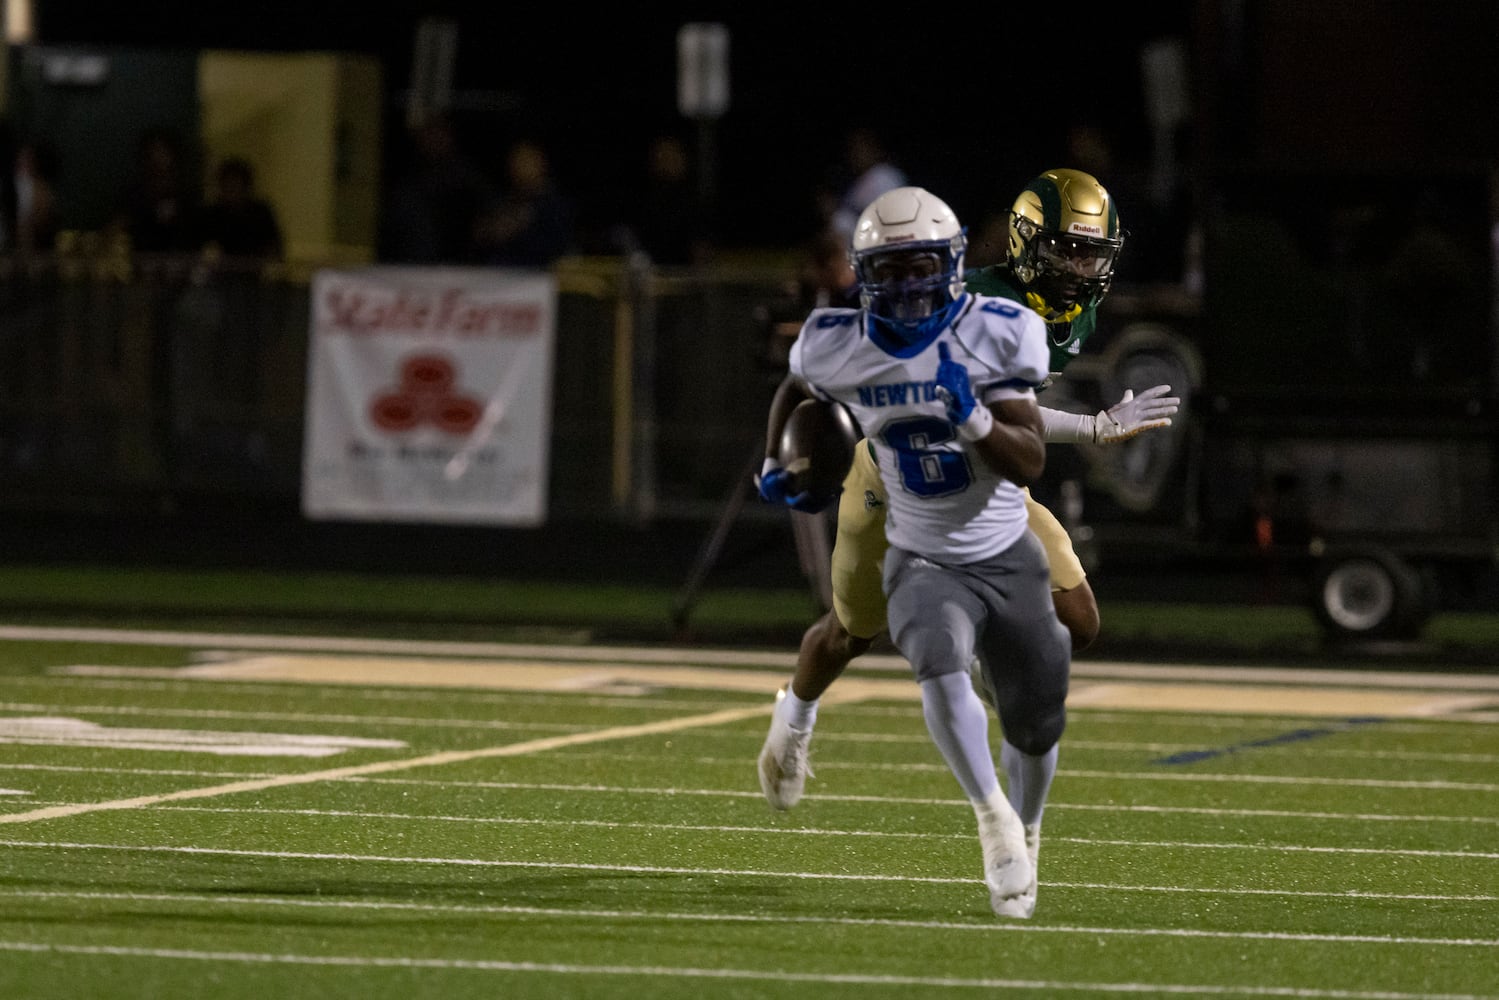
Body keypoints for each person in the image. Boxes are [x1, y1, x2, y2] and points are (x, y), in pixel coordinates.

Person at [755, 171, 1180, 913]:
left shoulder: (1055, 310)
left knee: (1075, 615)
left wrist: (1083, 425)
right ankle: (793, 717)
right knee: (849, 633)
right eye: (1067, 251)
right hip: (890, 481)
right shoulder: (976, 305)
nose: (1082, 268)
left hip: (982, 490)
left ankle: (989, 657)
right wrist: (1090, 427)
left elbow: (1005, 412)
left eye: (1092, 253)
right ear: (1024, 245)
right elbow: (938, 392)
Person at [474, 139, 576, 268]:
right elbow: (480, 236)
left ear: (540, 164)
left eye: (526, 162)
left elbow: (557, 247)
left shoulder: (555, 205)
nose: (519, 168)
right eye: (515, 162)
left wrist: (521, 225)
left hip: (539, 274)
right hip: (499, 272)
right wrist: (495, 229)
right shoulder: (506, 200)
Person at [821, 127, 909, 241]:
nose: (857, 155)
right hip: (861, 246)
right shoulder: (856, 186)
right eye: (853, 151)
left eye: (861, 149)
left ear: (873, 148)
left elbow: (890, 216)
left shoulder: (885, 175)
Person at [194, 157, 284, 263]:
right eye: (226, 185)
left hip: (255, 270)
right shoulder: (213, 213)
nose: (231, 190)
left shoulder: (260, 213)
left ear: (246, 187)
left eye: (235, 185)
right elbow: (200, 246)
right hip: (220, 272)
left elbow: (274, 246)